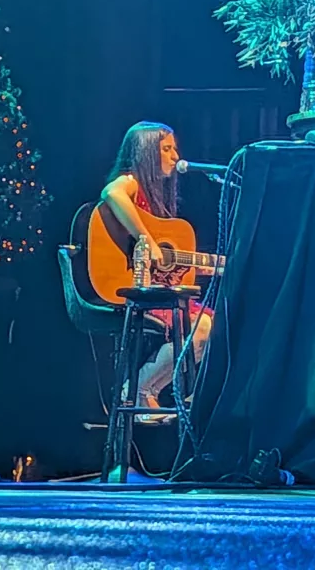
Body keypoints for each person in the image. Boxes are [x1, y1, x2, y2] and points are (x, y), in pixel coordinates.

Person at [100, 121, 212, 422]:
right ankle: (139, 389)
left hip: (154, 291)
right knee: (201, 328)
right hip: (131, 291)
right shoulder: (131, 182)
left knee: (208, 327)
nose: (175, 156)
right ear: (146, 153)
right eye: (166, 149)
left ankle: (149, 389)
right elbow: (111, 192)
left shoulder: (156, 202)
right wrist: (146, 239)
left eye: (174, 148)